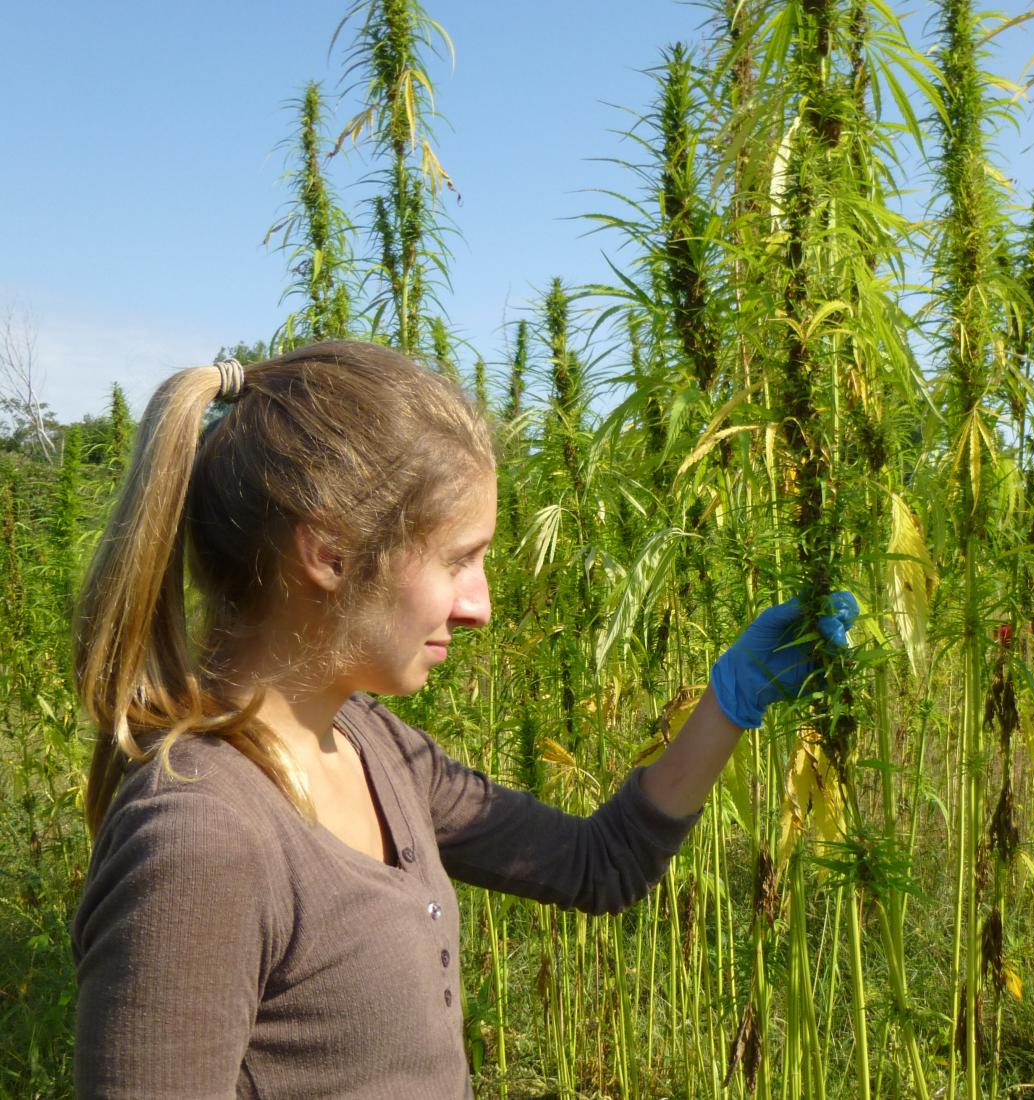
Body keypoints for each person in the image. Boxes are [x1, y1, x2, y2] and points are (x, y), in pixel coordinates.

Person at [69, 341, 855, 1099]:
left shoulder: (374, 746)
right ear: (330, 555)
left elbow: (597, 864)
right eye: (457, 560)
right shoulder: (202, 839)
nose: (480, 607)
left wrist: (730, 699)